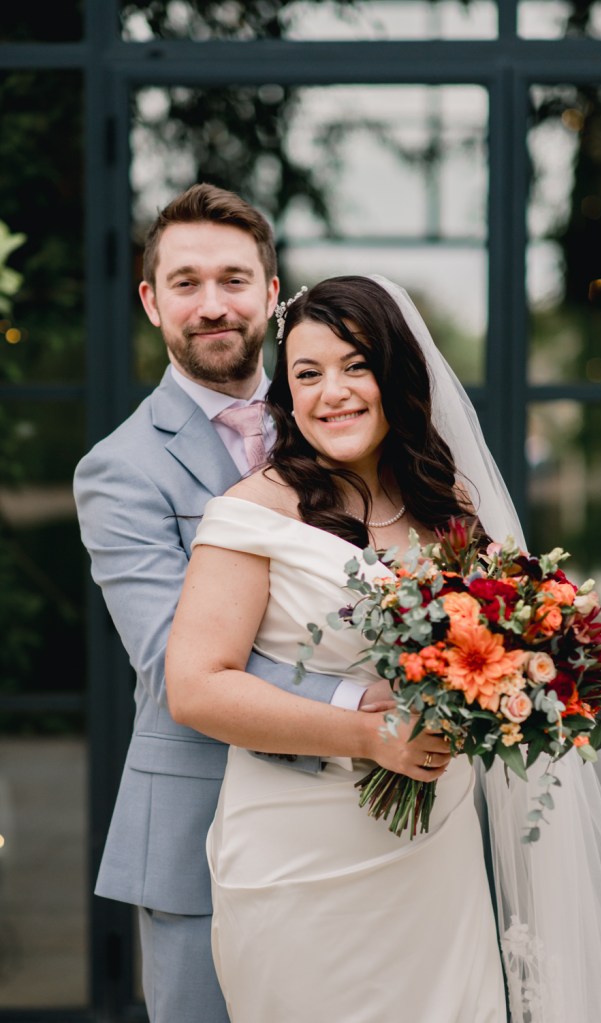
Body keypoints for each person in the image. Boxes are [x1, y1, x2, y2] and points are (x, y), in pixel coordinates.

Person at [165, 274, 601, 1023]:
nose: (331, 391)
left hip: (433, 856)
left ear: (396, 375)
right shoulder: (251, 513)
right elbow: (196, 687)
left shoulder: (447, 510)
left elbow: (491, 653)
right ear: (286, 392)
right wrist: (370, 734)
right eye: (306, 373)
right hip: (296, 858)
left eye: (355, 364)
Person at [73, 185, 390, 1023]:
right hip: (199, 830)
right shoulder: (119, 468)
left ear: (272, 290)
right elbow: (175, 656)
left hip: (359, 820)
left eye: (233, 279)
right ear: (150, 301)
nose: (212, 306)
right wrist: (360, 703)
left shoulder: (338, 417)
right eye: (184, 283)